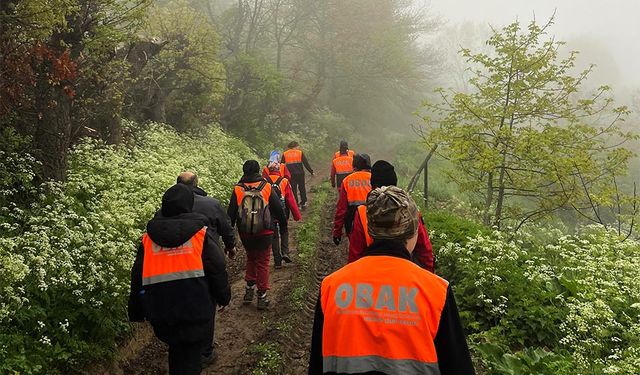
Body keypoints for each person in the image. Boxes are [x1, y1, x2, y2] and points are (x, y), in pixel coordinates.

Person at [309, 186, 475, 375]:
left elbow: (316, 364)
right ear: (413, 233)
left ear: (370, 232)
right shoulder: (437, 291)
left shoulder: (331, 286)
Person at [128, 184, 231, 374]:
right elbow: (216, 268)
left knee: (177, 351)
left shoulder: (148, 240)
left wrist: (136, 311)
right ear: (188, 206)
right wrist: (224, 297)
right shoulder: (200, 236)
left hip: (162, 311)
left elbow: (137, 277)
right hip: (196, 309)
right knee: (191, 357)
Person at [349, 160, 435, 272]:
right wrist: (429, 275)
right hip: (407, 273)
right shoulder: (410, 210)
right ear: (395, 184)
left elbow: (356, 253)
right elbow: (424, 250)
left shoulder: (362, 212)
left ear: (372, 185)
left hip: (370, 273)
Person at [227, 160, 288, 310]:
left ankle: (249, 291)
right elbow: (278, 209)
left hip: (245, 232)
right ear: (258, 170)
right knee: (262, 262)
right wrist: (283, 225)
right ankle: (262, 296)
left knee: (251, 258)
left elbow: (231, 215)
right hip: (265, 231)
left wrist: (230, 238)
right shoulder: (266, 186)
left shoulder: (238, 189)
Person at [171, 172, 237, 259]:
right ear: (196, 183)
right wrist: (230, 246)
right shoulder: (212, 204)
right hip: (208, 256)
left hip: (178, 258)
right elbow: (225, 228)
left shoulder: (168, 207)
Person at [266, 160, 302, 268]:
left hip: (269, 211)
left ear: (268, 170)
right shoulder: (284, 181)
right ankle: (285, 252)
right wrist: (297, 215)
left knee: (274, 234)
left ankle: (277, 261)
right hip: (282, 210)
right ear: (278, 170)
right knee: (284, 229)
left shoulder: (264, 181)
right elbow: (290, 199)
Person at [332, 154, 371, 246]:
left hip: (352, 223)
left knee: (356, 252)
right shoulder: (375, 178)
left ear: (354, 166)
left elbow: (341, 209)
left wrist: (337, 231)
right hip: (373, 224)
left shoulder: (347, 181)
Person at [281, 141, 314, 208]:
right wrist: (311, 171)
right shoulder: (300, 153)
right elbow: (306, 163)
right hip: (300, 174)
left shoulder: (285, 154)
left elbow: (281, 165)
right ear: (295, 146)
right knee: (302, 187)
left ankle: (295, 203)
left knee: (293, 189)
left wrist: (281, 175)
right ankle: (303, 202)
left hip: (290, 175)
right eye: (298, 146)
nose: (299, 147)